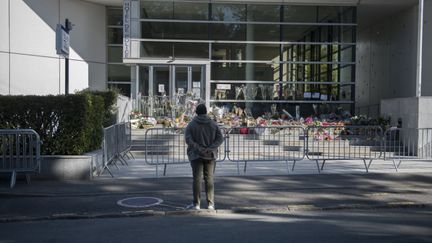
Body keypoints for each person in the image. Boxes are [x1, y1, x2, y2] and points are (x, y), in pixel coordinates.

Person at [184, 104, 224, 210]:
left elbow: (188, 139)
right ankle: (211, 204)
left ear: (196, 112)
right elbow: (220, 139)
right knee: (209, 179)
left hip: (196, 155)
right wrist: (210, 148)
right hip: (210, 155)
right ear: (206, 112)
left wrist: (198, 148)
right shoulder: (213, 124)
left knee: (197, 180)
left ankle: (196, 204)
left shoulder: (191, 124)